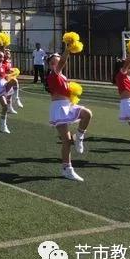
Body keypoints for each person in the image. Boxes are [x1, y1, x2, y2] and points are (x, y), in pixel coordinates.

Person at [46, 51, 92, 182]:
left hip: (68, 106)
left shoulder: (62, 76)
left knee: (87, 113)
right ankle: (67, 169)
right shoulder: (52, 75)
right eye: (54, 62)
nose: (57, 63)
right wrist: (68, 48)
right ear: (50, 65)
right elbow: (62, 62)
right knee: (66, 141)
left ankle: (79, 136)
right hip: (59, 109)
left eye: (58, 60)